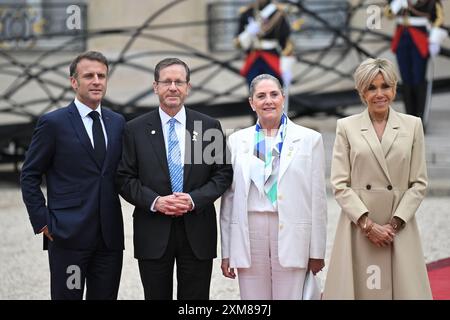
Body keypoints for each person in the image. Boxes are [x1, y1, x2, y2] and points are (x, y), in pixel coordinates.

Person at [116, 58, 233, 300]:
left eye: (179, 82)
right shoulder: (135, 129)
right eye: (166, 81)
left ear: (188, 87)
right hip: (153, 230)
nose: (172, 87)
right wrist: (156, 201)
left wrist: (192, 199)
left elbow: (221, 174)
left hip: (197, 230)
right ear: (155, 86)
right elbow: (125, 177)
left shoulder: (206, 126)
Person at [323, 58, 431, 299]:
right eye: (372, 87)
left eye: (385, 86)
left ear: (394, 89)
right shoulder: (346, 127)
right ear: (362, 91)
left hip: (399, 227)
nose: (379, 93)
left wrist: (393, 225)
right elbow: (340, 184)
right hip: (359, 227)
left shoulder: (413, 125)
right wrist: (368, 226)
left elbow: (419, 183)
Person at [20, 51, 125, 300]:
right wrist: (42, 221)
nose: (97, 81)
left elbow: (124, 173)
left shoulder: (117, 122)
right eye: (89, 76)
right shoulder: (53, 123)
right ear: (74, 82)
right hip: (68, 238)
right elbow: (29, 175)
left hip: (109, 239)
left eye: (102, 76)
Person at [220, 74, 327, 300]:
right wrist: (227, 251)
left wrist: (317, 251)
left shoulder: (310, 139)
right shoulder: (236, 141)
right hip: (250, 231)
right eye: (261, 96)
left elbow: (318, 199)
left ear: (283, 98)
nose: (268, 100)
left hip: (292, 231)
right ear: (252, 103)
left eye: (273, 94)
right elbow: (229, 199)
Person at [385, 0, 445, 121]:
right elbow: (388, 15)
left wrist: (434, 40)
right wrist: (395, 5)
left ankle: (420, 118)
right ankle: (409, 118)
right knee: (405, 78)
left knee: (418, 78)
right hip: (402, 36)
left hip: (420, 37)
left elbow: (438, 19)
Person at [236, 0, 294, 88]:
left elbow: (285, 42)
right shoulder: (247, 12)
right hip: (253, 58)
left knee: (272, 88)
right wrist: (248, 32)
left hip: (272, 57)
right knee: (254, 89)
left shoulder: (277, 13)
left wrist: (286, 68)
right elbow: (239, 43)